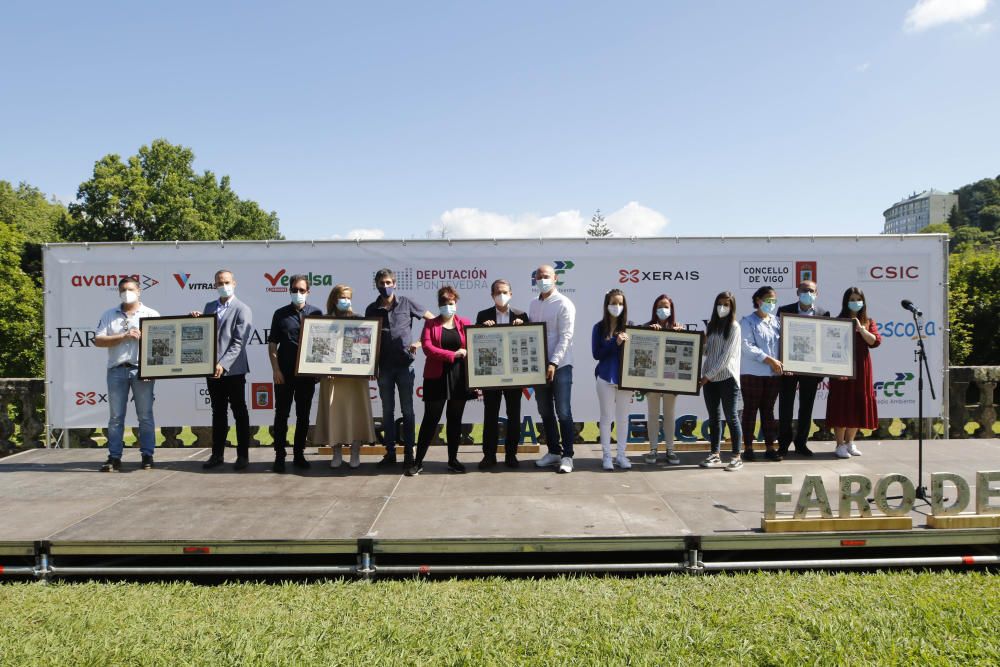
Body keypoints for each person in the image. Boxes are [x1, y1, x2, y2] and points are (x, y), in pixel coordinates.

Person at [365, 269, 434, 469]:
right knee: (387, 411)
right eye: (381, 282)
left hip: (405, 365)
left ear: (394, 283)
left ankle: (409, 453)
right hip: (384, 367)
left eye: (388, 282)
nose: (385, 286)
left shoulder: (407, 302)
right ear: (376, 284)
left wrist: (421, 342)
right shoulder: (372, 309)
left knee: (408, 411)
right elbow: (366, 339)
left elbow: (433, 321)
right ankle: (390, 453)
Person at [94, 277, 160, 472]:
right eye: (123, 289)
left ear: (139, 291)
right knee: (116, 417)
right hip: (117, 369)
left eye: (130, 289)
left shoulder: (151, 314)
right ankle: (114, 457)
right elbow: (98, 340)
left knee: (145, 416)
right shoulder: (109, 314)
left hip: (142, 370)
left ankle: (147, 455)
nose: (127, 292)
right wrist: (124, 336)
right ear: (118, 292)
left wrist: (152, 369)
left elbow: (160, 346)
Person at [407, 286, 474, 476]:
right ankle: (418, 462)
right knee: (430, 420)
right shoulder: (431, 324)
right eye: (444, 304)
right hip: (436, 377)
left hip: (459, 377)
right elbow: (428, 348)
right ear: (439, 305)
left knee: (455, 420)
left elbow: (474, 344)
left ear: (456, 303)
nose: (448, 307)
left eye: (451, 303)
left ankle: (453, 460)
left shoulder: (465, 322)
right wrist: (452, 354)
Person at [194, 269, 253, 471]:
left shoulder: (242, 309)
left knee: (239, 412)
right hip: (212, 370)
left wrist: (223, 364)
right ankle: (217, 455)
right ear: (214, 285)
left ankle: (243, 456)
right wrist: (195, 320)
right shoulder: (209, 307)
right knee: (218, 413)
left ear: (234, 283)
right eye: (220, 282)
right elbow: (205, 333)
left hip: (233, 370)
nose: (223, 285)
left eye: (227, 281)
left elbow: (239, 342)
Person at [315, 284, 377, 469]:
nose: (345, 301)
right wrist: (323, 368)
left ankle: (355, 452)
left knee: (356, 414)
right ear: (334, 298)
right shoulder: (324, 321)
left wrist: (369, 368)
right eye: (342, 297)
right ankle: (336, 453)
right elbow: (319, 351)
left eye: (348, 297)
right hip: (331, 378)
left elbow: (365, 348)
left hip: (355, 379)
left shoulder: (358, 320)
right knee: (335, 415)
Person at [267, 274, 322, 473]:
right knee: (281, 415)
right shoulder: (279, 314)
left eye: (301, 290)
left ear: (308, 292)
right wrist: (276, 370)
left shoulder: (317, 313)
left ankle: (299, 454)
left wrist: (320, 371)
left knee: (303, 416)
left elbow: (322, 345)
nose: (297, 293)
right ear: (289, 291)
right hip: (284, 374)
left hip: (306, 376)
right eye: (294, 290)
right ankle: (279, 456)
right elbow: (272, 344)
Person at [475, 279, 529, 469]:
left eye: (505, 292)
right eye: (498, 292)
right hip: (492, 374)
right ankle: (488, 455)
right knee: (490, 415)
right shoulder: (483, 315)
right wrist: (483, 330)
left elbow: (529, 345)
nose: (501, 295)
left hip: (514, 375)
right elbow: (477, 346)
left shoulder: (521, 315)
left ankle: (511, 455)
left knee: (514, 415)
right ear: (492, 295)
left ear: (511, 294)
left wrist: (522, 328)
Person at [530, 264, 577, 474]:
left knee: (563, 412)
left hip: (561, 366)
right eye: (539, 277)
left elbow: (566, 336)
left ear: (555, 278)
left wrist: (553, 362)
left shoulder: (564, 303)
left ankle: (568, 456)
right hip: (538, 367)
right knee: (545, 411)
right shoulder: (532, 304)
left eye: (546, 276)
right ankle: (553, 452)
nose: (542, 279)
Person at [826, 287, 881, 459]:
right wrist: (836, 370)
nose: (855, 302)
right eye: (852, 299)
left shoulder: (869, 322)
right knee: (842, 405)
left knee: (858, 404)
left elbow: (875, 342)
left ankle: (850, 443)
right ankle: (839, 444)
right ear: (845, 301)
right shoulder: (838, 321)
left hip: (862, 370)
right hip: (841, 369)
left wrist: (862, 329)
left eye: (858, 299)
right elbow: (828, 346)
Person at [777, 280, 830, 457]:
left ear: (817, 293)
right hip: (789, 368)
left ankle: (801, 444)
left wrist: (822, 370)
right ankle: (783, 445)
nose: (807, 293)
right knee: (785, 407)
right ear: (797, 291)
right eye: (804, 290)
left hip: (811, 369)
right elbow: (778, 340)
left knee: (806, 408)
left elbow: (825, 343)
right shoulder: (784, 311)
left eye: (811, 290)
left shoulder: (824, 313)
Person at [698, 291, 744, 472]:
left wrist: (707, 376)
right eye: (720, 304)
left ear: (732, 307)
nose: (722, 308)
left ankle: (736, 456)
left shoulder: (734, 327)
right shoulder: (712, 326)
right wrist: (701, 342)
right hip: (710, 378)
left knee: (731, 416)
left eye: (726, 304)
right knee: (714, 417)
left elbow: (726, 357)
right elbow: (706, 352)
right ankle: (715, 454)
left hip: (726, 377)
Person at [739, 285, 783, 462]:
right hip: (753, 373)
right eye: (768, 300)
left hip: (773, 374)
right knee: (750, 410)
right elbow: (747, 346)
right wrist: (769, 360)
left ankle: (770, 447)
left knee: (768, 411)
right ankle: (748, 448)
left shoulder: (777, 321)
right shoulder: (747, 321)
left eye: (773, 300)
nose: (771, 303)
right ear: (758, 300)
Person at [592, 288, 634, 471]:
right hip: (604, 377)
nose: (617, 306)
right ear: (606, 305)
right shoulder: (598, 327)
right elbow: (596, 354)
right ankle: (607, 456)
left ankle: (621, 455)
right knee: (606, 418)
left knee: (623, 418)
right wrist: (614, 343)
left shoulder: (630, 326)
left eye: (620, 303)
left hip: (625, 379)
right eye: (613, 303)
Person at [642, 294, 685, 465]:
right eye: (660, 306)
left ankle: (670, 450)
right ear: (654, 308)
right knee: (653, 415)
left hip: (670, 379)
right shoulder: (647, 327)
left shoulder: (677, 327)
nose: (663, 309)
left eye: (666, 306)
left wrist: (680, 335)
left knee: (669, 415)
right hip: (652, 379)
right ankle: (652, 449)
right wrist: (649, 333)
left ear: (671, 308)